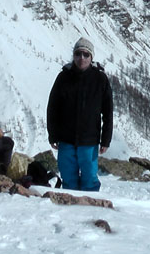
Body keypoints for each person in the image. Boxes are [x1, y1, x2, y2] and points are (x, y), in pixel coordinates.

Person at [46, 37, 113, 191]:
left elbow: (108, 111)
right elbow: (52, 108)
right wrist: (53, 135)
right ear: (73, 55)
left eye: (85, 54)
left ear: (91, 57)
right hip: (66, 139)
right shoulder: (63, 77)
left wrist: (106, 139)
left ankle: (89, 210)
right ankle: (70, 213)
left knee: (89, 179)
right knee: (69, 179)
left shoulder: (100, 79)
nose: (81, 58)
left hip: (89, 140)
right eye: (78, 54)